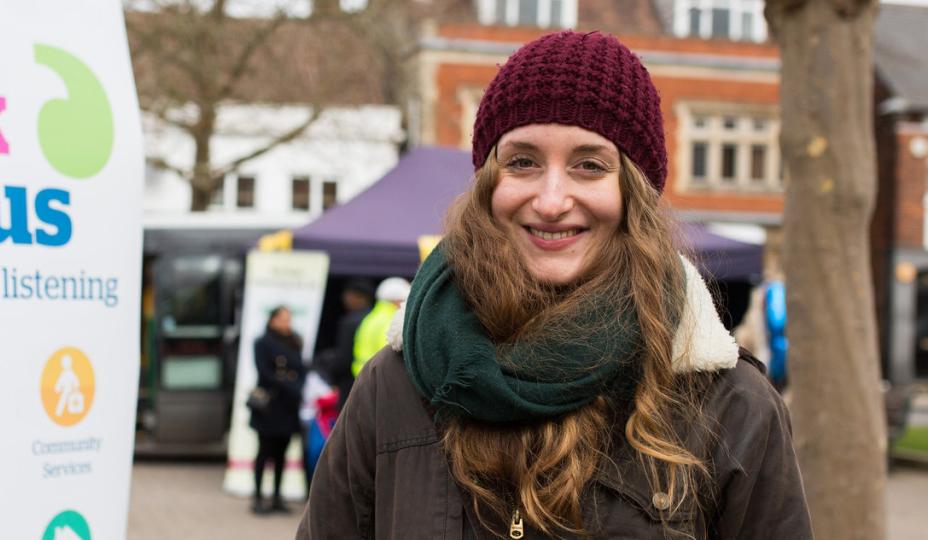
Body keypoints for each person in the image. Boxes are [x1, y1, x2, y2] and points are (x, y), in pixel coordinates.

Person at [299, 31, 811, 539]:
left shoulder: (727, 404)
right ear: (488, 184)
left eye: (589, 166)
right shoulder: (395, 385)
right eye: (522, 161)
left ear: (633, 193)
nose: (550, 200)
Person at [250, 305, 306, 515]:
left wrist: (296, 386)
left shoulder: (295, 340)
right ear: (272, 320)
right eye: (282, 318)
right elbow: (265, 373)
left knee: (282, 453)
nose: (287, 323)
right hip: (269, 406)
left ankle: (276, 497)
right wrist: (291, 385)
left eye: (288, 318)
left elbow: (301, 368)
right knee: (264, 452)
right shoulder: (262, 342)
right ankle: (257, 497)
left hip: (288, 407)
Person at [351, 277, 409, 377]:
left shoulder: (372, 317)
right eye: (403, 300)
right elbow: (390, 353)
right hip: (379, 376)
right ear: (396, 300)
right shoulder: (391, 320)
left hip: (364, 376)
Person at [330, 280, 374, 402]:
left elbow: (343, 358)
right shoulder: (377, 319)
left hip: (351, 382)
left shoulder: (350, 322)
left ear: (359, 297)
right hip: (374, 380)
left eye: (347, 295)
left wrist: (333, 379)